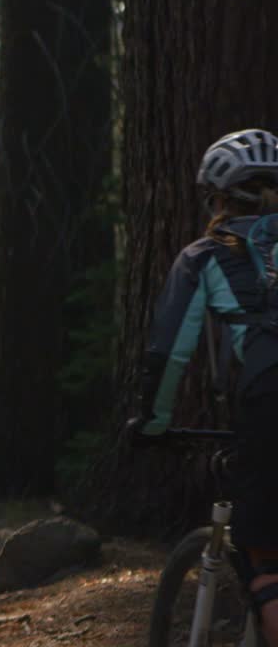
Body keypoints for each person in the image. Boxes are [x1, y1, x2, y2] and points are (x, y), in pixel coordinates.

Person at [133, 127, 278, 643]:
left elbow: (171, 352)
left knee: (265, 563)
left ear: (216, 199)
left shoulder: (205, 255)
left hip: (267, 400)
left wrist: (151, 424)